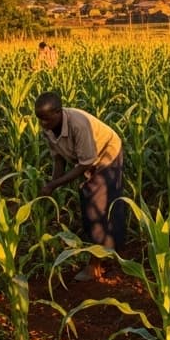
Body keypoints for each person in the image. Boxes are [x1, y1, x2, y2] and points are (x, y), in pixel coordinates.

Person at [35, 91, 127, 281]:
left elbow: (85, 163)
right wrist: (53, 186)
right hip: (89, 160)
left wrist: (54, 184)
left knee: (99, 208)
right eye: (39, 119)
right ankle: (105, 249)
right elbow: (58, 159)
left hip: (106, 154)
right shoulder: (49, 126)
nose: (42, 124)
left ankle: (99, 263)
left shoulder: (78, 125)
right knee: (88, 201)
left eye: (45, 119)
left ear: (58, 112)